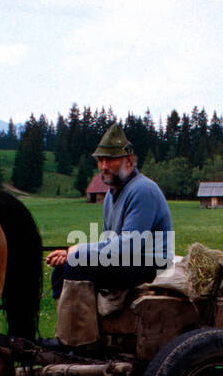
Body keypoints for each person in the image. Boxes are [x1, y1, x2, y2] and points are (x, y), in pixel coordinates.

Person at [46, 123, 173, 300]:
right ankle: (68, 324)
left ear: (128, 161)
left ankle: (82, 327)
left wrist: (78, 251)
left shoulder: (143, 190)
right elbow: (109, 242)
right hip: (129, 260)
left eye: (110, 160)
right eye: (100, 160)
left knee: (77, 264)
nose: (104, 166)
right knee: (62, 270)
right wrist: (69, 254)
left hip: (151, 264)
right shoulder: (111, 195)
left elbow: (129, 245)